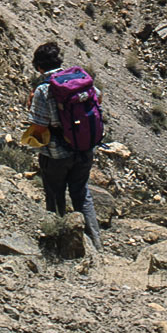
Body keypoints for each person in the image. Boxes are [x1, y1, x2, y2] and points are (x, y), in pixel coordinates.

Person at [25, 40, 103, 250]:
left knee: (55, 194)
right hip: (84, 149)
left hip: (56, 155)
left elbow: (39, 127)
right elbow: (98, 97)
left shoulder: (43, 90)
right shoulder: (79, 80)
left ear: (39, 67)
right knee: (82, 194)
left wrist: (30, 108)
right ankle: (96, 245)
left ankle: (60, 243)